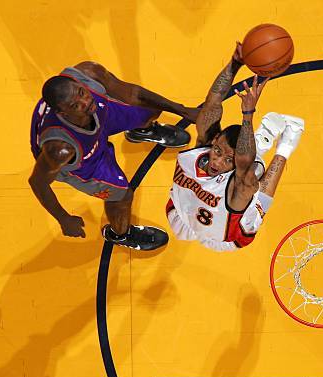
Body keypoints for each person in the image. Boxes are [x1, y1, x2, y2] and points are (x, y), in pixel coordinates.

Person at [29, 62, 199, 250]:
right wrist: (63, 219)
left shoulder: (88, 73)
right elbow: (38, 183)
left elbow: (134, 94)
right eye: (75, 105)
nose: (85, 102)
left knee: (150, 107)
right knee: (122, 196)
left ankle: (142, 131)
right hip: (84, 159)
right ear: (62, 112)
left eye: (81, 93)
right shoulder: (60, 149)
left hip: (99, 120)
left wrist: (183, 110)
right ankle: (120, 234)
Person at [166, 44, 304, 251]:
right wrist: (234, 64)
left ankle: (286, 142)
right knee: (247, 161)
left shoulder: (239, 187)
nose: (217, 161)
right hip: (181, 214)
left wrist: (248, 114)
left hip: (225, 238)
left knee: (254, 181)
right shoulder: (204, 146)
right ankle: (259, 141)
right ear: (214, 141)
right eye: (218, 151)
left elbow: (245, 163)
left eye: (228, 160)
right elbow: (212, 103)